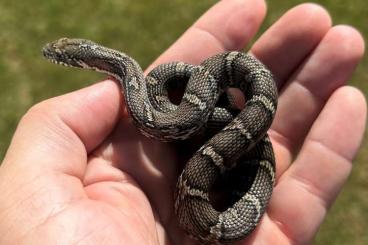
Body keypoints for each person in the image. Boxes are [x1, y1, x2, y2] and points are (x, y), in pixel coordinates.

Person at [0, 0, 365, 244]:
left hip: (217, 128)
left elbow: (162, 110)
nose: (57, 57)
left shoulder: (144, 99)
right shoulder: (143, 88)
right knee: (196, 105)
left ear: (87, 62)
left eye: (64, 56)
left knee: (215, 117)